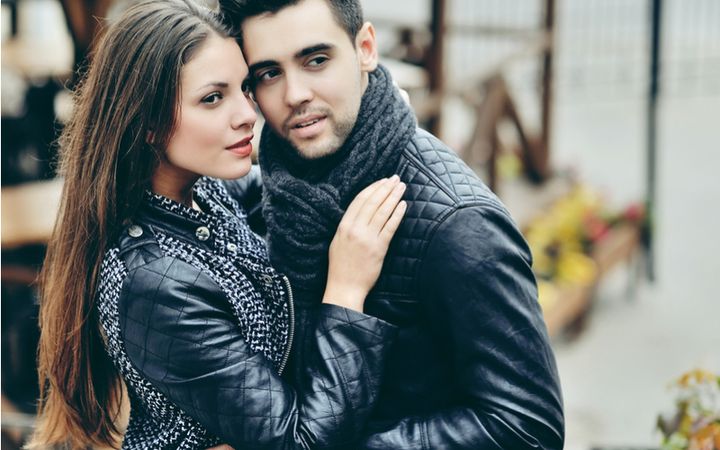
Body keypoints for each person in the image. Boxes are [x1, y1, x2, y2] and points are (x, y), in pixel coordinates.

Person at [29, 1, 408, 449]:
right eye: (213, 98)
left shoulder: (202, 191)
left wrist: (373, 114)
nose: (248, 114)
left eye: (245, 88)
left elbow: (294, 185)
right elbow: (299, 442)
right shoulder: (156, 284)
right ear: (148, 123)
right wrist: (345, 291)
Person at [218, 0, 565, 448]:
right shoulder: (283, 186)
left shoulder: (457, 224)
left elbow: (529, 426)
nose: (294, 94)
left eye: (316, 60)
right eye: (269, 73)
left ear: (365, 49)